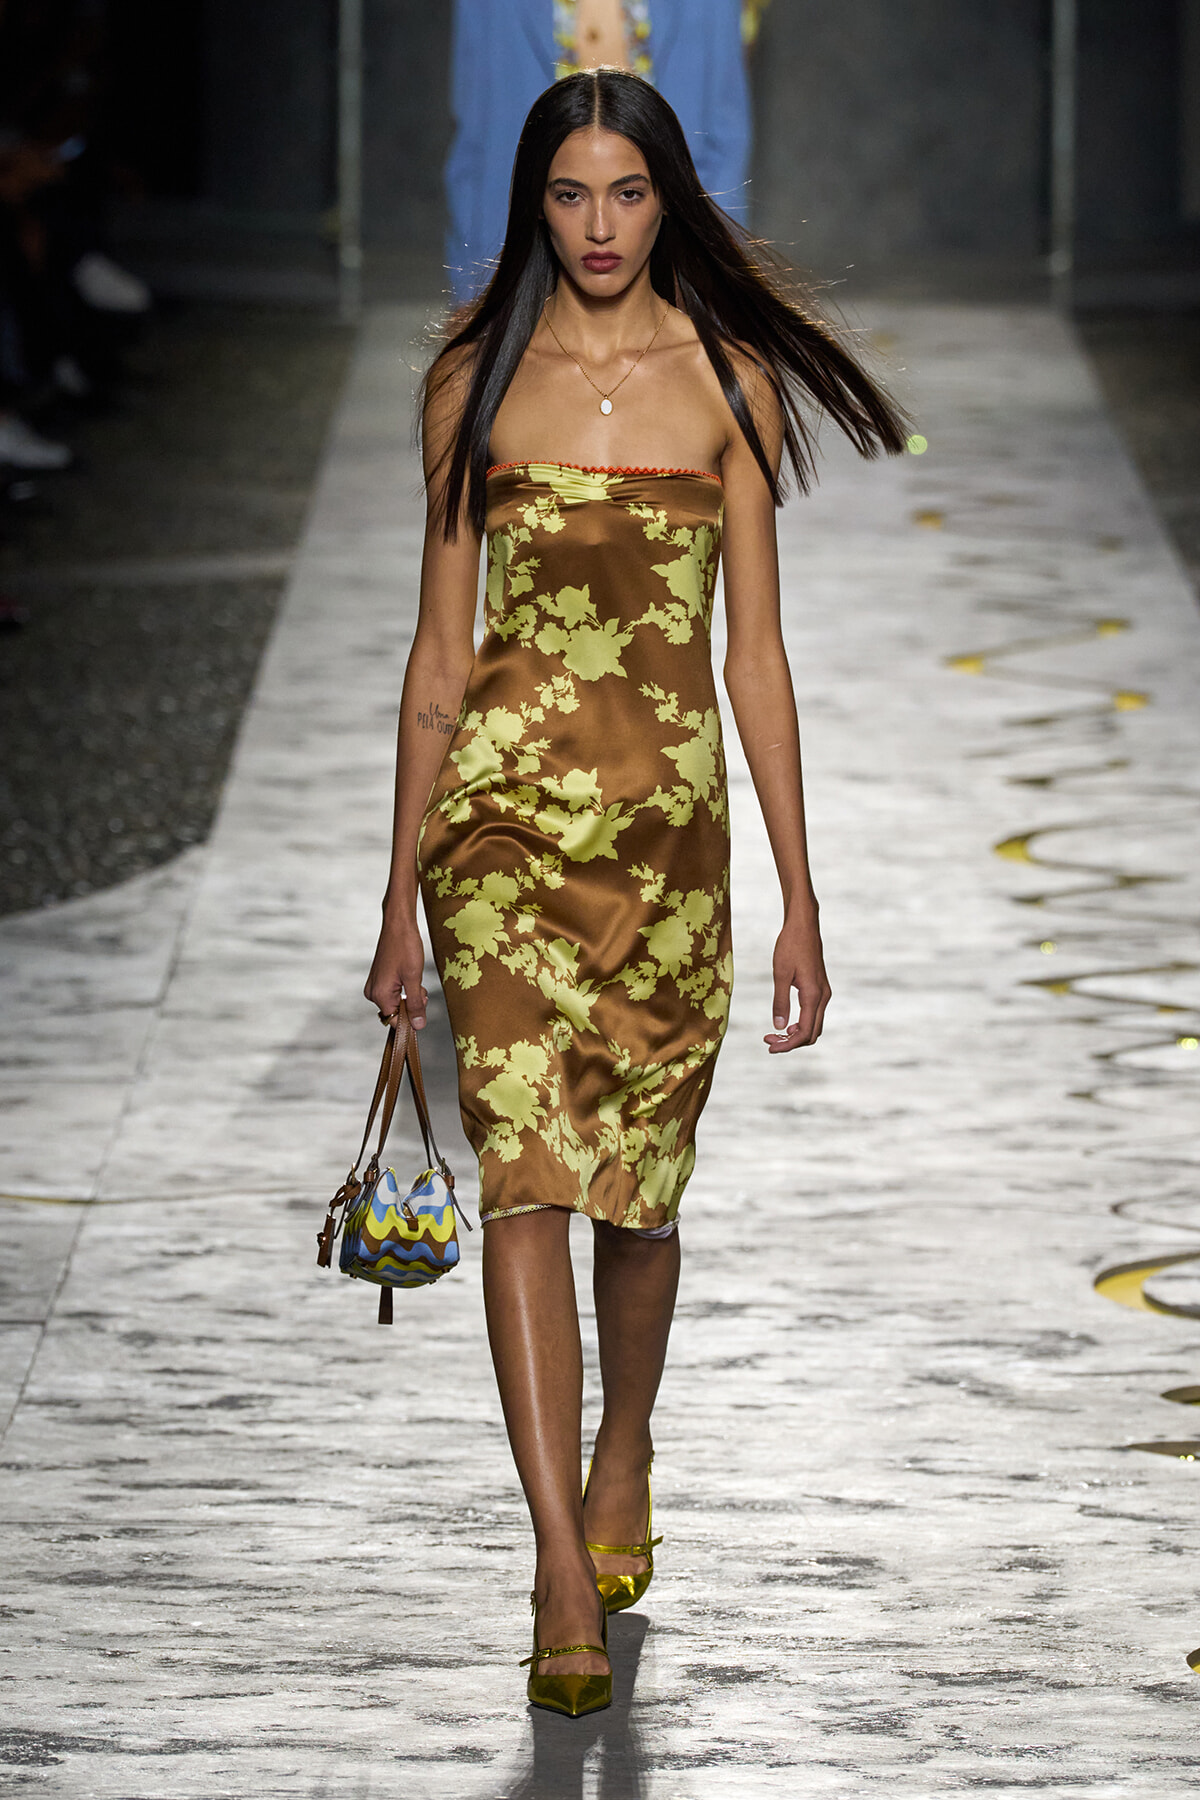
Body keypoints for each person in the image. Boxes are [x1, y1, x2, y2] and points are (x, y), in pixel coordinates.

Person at [366, 68, 906, 1717]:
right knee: (527, 1175)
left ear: (670, 199)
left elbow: (755, 656)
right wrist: (400, 892)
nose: (599, 228)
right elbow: (442, 654)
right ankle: (551, 1562)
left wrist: (803, 894)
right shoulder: (473, 381)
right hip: (505, 837)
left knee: (640, 1199)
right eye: (569, 196)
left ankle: (630, 1442)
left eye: (628, 194)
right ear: (533, 204)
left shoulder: (730, 382)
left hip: (668, 850)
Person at [445, 0, 752, 304]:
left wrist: (719, 286)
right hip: (520, 265)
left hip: (678, 261)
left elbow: (723, 140)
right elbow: (475, 145)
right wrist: (471, 292)